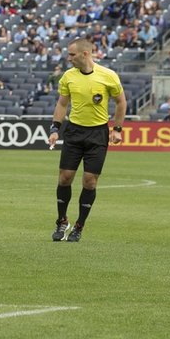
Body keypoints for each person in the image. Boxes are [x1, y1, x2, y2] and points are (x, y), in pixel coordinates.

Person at [47, 37, 126, 243]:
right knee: (65, 178)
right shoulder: (68, 77)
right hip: (74, 132)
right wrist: (55, 128)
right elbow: (62, 104)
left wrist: (117, 129)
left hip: (98, 133)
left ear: (85, 54)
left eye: (72, 55)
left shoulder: (108, 76)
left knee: (90, 181)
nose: (69, 58)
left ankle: (79, 226)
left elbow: (121, 102)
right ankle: (62, 221)